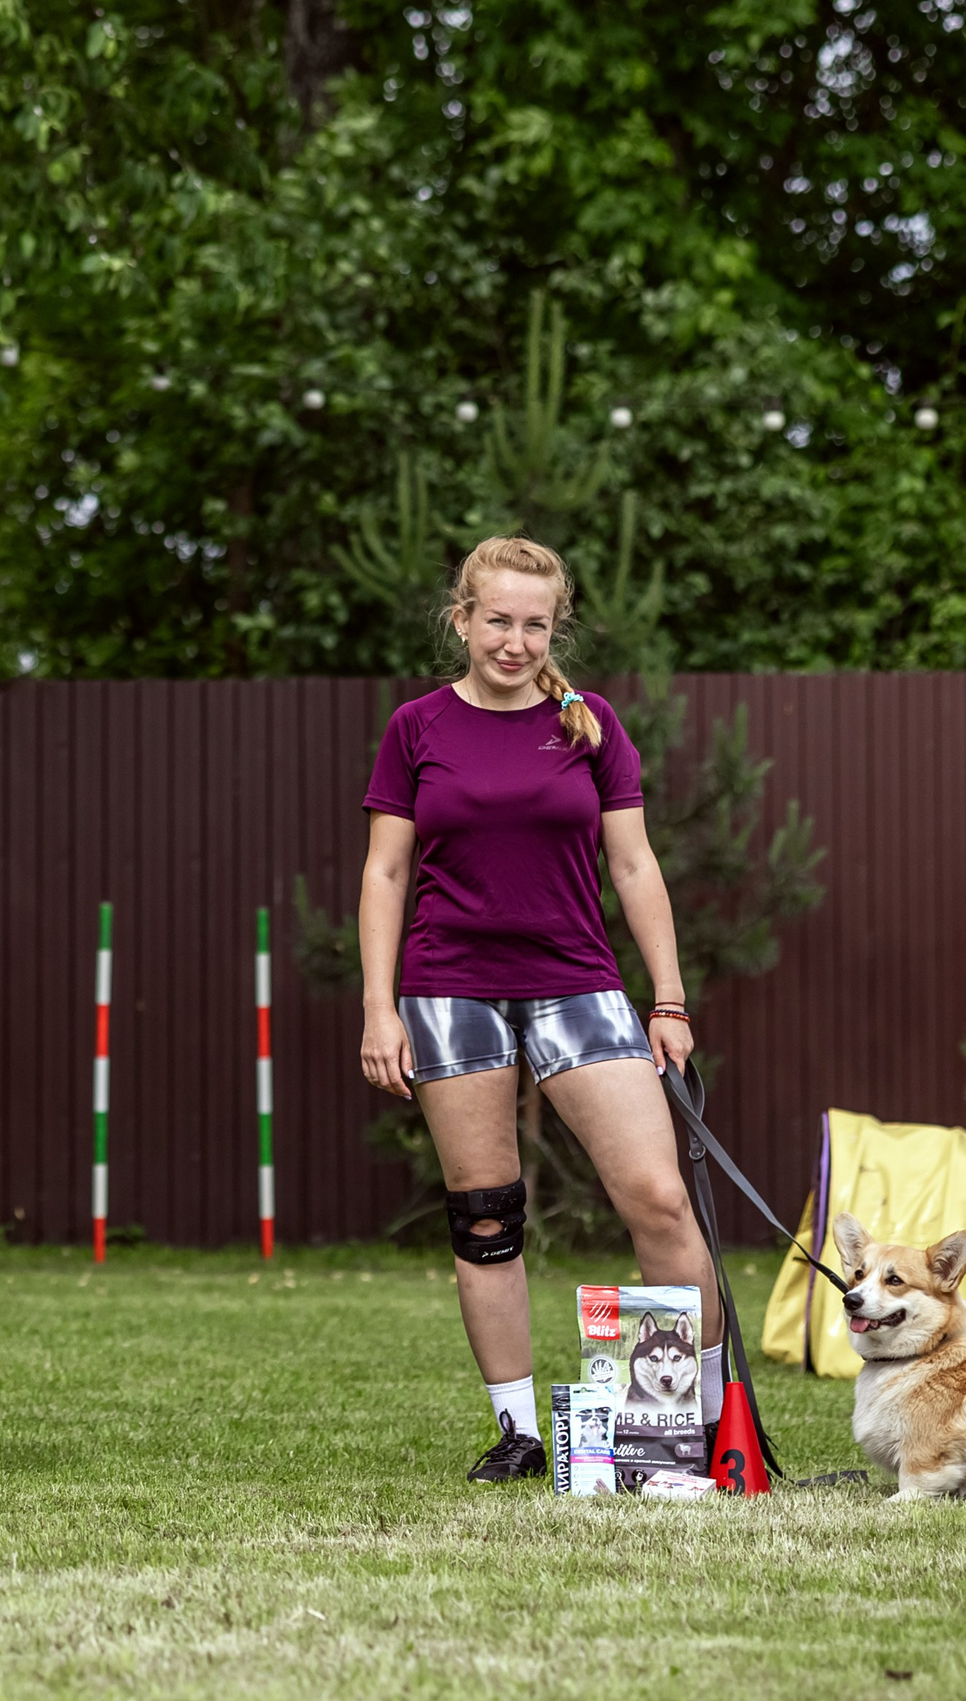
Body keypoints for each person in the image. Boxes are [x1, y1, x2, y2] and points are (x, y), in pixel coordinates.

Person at [356, 535, 721, 1484]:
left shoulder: (588, 724)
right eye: (497, 621)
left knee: (659, 1196)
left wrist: (668, 999)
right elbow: (385, 872)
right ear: (462, 621)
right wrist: (379, 1008)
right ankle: (518, 1435)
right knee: (486, 1216)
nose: (514, 641)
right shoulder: (416, 727)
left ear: (555, 628)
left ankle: (701, 1427)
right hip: (447, 991)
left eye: (534, 624)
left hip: (579, 985)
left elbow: (636, 867)